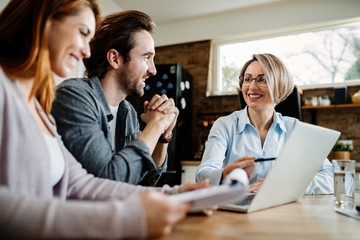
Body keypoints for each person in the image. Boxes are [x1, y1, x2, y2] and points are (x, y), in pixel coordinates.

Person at [0, 0, 210, 238]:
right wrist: (155, 125)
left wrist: (178, 195)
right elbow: (107, 177)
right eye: (82, 32)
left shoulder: (35, 107)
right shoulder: (66, 95)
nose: (86, 52)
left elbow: (80, 184)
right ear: (44, 21)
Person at [51, 10, 177, 186]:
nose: (153, 70)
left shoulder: (128, 112)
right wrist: (155, 125)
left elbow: (144, 181)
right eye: (146, 57)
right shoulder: (73, 97)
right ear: (114, 59)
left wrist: (163, 135)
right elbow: (107, 180)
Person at [196, 53, 334, 194]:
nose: (252, 87)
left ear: (279, 86)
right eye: (247, 79)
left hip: (283, 211)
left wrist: (287, 185)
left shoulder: (294, 128)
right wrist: (227, 176)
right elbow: (203, 175)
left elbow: (330, 177)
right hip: (237, 209)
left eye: (262, 80)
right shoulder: (225, 125)